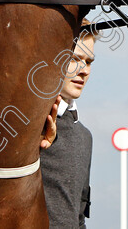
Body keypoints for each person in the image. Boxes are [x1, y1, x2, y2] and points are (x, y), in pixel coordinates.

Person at [41, 21, 95, 228]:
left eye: (89, 61)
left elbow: (79, 216)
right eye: (74, 59)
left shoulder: (84, 136)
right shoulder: (21, 122)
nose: (84, 71)